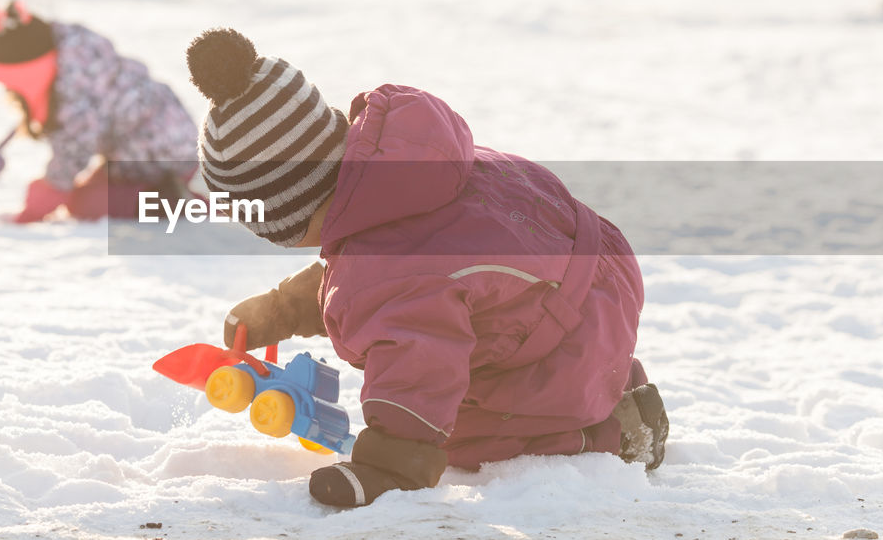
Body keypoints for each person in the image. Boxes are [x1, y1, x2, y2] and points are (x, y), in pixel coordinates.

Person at [185, 27, 668, 509]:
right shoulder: (398, 174)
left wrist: (389, 462)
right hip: (588, 269)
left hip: (572, 321)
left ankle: (616, 432)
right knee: (486, 343)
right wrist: (284, 308)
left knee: (463, 435)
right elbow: (381, 274)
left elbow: (416, 359)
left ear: (286, 210)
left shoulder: (386, 271)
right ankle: (603, 379)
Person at [0, 2, 198, 223]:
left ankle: (172, 202)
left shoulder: (74, 90)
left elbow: (74, 150)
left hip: (157, 155)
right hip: (162, 143)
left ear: (31, 76)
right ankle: (176, 191)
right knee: (87, 191)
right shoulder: (76, 61)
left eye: (13, 85)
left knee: (85, 203)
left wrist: (45, 196)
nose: (9, 91)